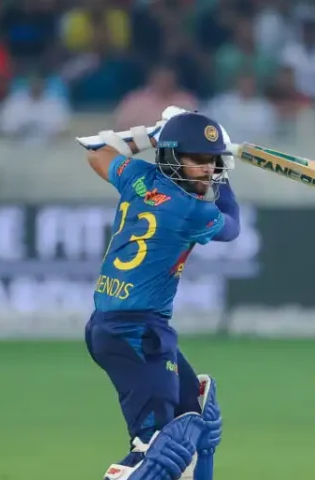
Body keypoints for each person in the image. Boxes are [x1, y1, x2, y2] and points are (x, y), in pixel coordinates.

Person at [77, 109, 236, 480]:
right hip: (135, 331)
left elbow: (97, 151)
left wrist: (152, 134)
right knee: (160, 450)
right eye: (199, 160)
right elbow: (232, 225)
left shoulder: (137, 177)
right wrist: (227, 182)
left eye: (214, 162)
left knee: (197, 422)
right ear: (172, 157)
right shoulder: (191, 210)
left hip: (124, 327)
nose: (210, 171)